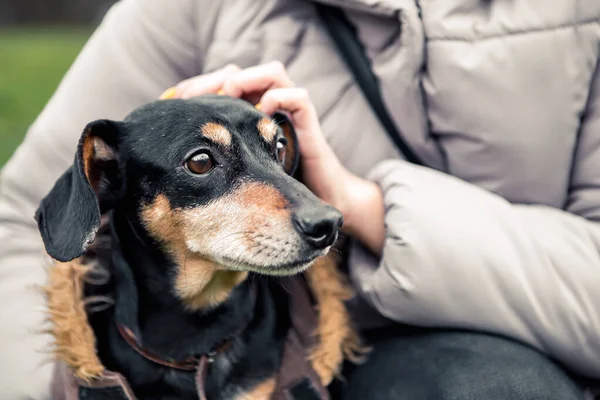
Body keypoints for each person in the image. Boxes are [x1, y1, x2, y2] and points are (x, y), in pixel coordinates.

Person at [1, 0, 599, 398]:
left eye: (275, 148)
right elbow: (21, 224)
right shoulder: (191, 8)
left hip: (427, 359)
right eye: (204, 163)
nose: (314, 215)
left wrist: (361, 204)